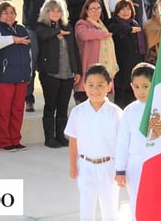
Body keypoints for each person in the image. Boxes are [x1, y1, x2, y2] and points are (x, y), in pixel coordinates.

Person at [65, 64, 122, 221]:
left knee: (110, 210)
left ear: (109, 86)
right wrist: (72, 165)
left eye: (100, 85)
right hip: (85, 165)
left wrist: (121, 170)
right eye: (90, 85)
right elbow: (73, 140)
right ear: (84, 86)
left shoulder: (115, 113)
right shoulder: (78, 112)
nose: (95, 90)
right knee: (86, 209)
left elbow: (122, 144)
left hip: (109, 167)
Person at [36, 0, 82, 149]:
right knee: (51, 105)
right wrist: (56, 32)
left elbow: (74, 50)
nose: (56, 13)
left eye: (58, 10)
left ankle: (60, 135)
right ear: (46, 12)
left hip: (67, 73)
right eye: (52, 10)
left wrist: (77, 70)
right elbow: (42, 35)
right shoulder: (42, 26)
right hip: (50, 72)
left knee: (63, 106)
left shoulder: (68, 27)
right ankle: (49, 138)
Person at [0, 1, 31, 152]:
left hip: (21, 77)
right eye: (5, 12)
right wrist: (13, 39)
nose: (9, 15)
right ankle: (5, 142)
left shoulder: (21, 28)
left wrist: (29, 71)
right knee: (3, 111)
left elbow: (29, 51)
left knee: (18, 110)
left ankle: (16, 140)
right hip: (2, 78)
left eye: (12, 12)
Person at [18, 0, 60, 113]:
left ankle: (51, 99)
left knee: (48, 65)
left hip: (50, 30)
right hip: (32, 30)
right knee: (32, 64)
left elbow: (60, 4)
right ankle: (28, 99)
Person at [115, 62, 155, 220]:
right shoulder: (129, 111)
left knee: (157, 203)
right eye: (137, 87)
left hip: (156, 161)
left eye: (145, 86)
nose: (141, 91)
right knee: (137, 202)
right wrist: (120, 169)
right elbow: (122, 142)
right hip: (135, 164)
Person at [73, 0, 118, 105]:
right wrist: (101, 34)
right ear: (86, 11)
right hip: (87, 74)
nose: (96, 11)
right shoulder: (82, 24)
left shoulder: (102, 26)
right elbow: (83, 34)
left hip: (101, 74)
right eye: (93, 9)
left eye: (98, 8)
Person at [107, 0, 145, 109]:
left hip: (134, 66)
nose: (125, 12)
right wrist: (129, 29)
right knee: (120, 100)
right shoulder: (113, 23)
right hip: (120, 67)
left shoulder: (135, 23)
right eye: (122, 9)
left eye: (128, 9)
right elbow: (114, 29)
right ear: (117, 11)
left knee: (133, 99)